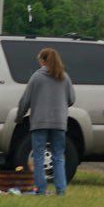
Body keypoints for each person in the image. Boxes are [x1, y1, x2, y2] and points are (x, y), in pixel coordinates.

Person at [17, 47, 76, 195]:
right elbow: (71, 99)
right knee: (58, 157)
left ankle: (41, 190)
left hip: (40, 122)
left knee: (38, 157)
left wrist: (19, 116)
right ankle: (61, 190)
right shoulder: (64, 77)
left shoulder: (37, 77)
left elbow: (25, 100)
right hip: (59, 122)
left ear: (43, 61)